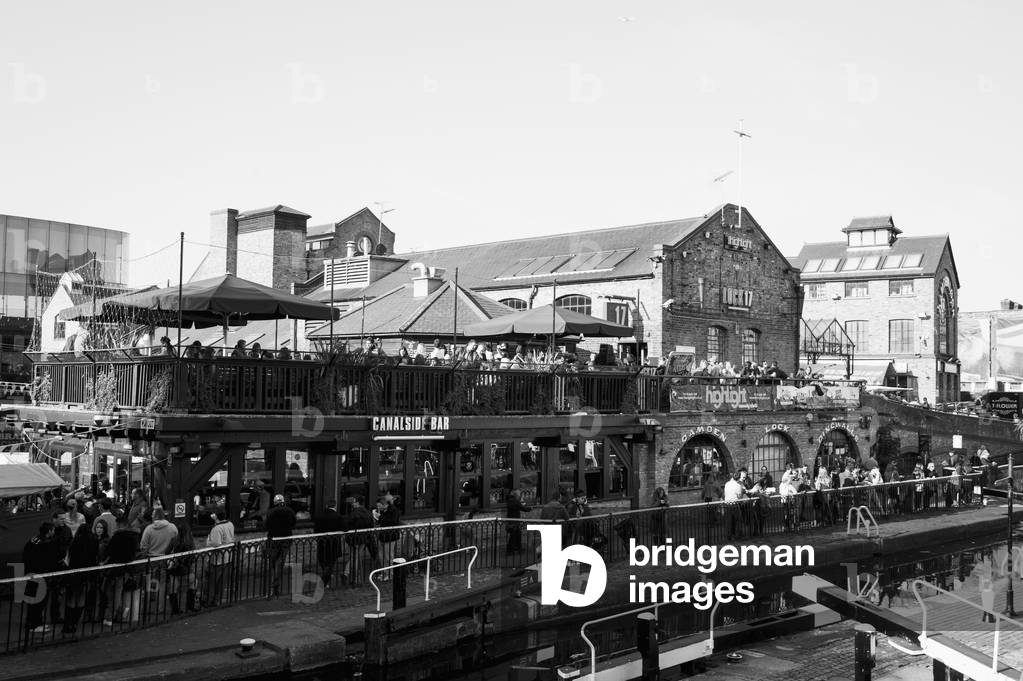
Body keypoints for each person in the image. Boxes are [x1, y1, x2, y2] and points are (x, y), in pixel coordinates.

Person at [23, 521, 62, 634]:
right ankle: (34, 624)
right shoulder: (45, 544)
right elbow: (49, 561)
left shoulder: (34, 540)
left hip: (31, 574)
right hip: (41, 576)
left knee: (33, 600)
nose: (54, 532)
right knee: (39, 601)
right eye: (53, 530)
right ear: (49, 531)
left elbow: (26, 556)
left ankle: (33, 622)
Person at [265, 494, 297, 598]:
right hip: (286, 539)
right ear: (283, 501)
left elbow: (266, 526)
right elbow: (293, 523)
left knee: (272, 562)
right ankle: (276, 584)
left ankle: (272, 585)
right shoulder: (290, 511)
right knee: (280, 562)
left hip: (273, 539)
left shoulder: (271, 512)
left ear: (275, 503)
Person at [203, 510, 235, 607]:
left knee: (212, 582)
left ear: (217, 516)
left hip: (218, 559)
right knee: (222, 581)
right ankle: (218, 600)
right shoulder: (230, 524)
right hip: (228, 556)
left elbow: (216, 543)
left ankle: (208, 601)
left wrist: (208, 541)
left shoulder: (217, 528)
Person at [315, 501, 347, 589]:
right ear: (335, 506)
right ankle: (324, 581)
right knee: (331, 563)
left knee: (323, 561)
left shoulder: (319, 516)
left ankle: (326, 578)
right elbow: (345, 528)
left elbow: (316, 530)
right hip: (334, 543)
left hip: (322, 542)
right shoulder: (338, 516)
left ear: (326, 505)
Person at [167, 520, 197, 614]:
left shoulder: (174, 540)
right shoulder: (190, 541)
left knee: (173, 588)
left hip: (175, 567)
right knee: (192, 585)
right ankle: (190, 607)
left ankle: (175, 609)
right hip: (187, 568)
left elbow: (167, 552)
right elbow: (193, 555)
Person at [345, 496, 375, 585]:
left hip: (354, 539)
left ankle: (353, 576)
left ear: (358, 503)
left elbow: (347, 525)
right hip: (363, 539)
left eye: (354, 502)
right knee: (356, 557)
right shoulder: (368, 513)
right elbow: (371, 525)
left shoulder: (354, 513)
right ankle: (348, 574)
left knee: (355, 557)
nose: (352, 504)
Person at [374, 496, 401, 578]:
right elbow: (381, 522)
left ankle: (390, 574)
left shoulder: (394, 510)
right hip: (382, 536)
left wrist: (380, 517)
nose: (378, 507)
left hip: (390, 536)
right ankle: (384, 572)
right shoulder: (381, 511)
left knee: (388, 556)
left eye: (379, 506)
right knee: (381, 556)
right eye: (377, 506)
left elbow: (393, 522)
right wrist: (376, 517)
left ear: (385, 505)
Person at [505, 489, 530, 556]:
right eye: (519, 495)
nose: (520, 496)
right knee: (514, 536)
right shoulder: (515, 501)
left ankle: (517, 549)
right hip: (514, 522)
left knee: (516, 535)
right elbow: (523, 508)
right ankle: (511, 550)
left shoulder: (510, 501)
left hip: (511, 521)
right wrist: (529, 508)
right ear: (516, 495)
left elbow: (518, 507)